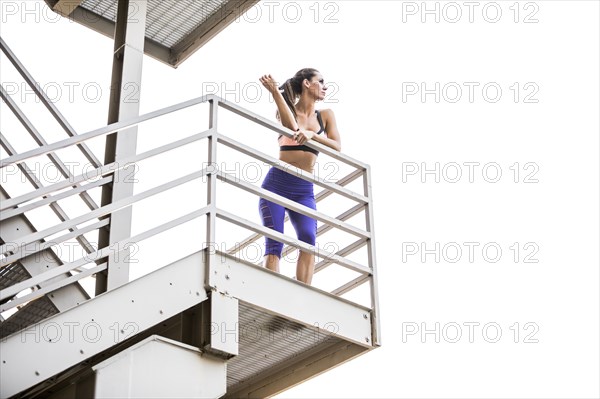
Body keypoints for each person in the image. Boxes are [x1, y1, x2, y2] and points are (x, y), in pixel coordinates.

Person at [258, 68, 341, 285]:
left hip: (304, 189)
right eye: (320, 81)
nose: (325, 86)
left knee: (308, 239)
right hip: (277, 183)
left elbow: (337, 146)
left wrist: (313, 135)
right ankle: (271, 293)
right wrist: (276, 93)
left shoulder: (326, 115)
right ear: (306, 83)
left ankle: (303, 295)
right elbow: (291, 127)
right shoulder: (286, 110)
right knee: (275, 241)